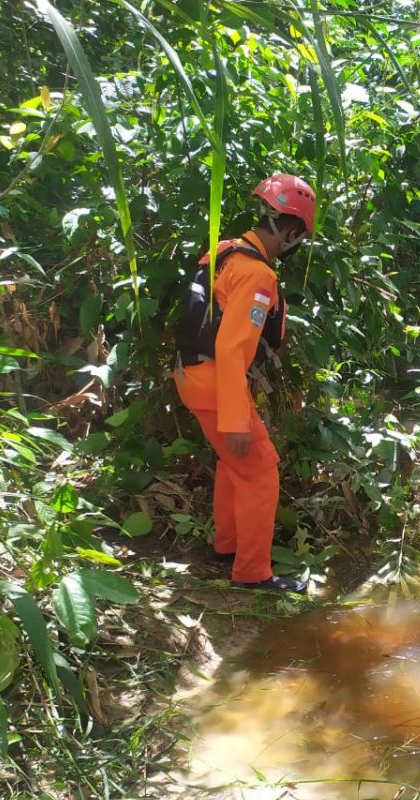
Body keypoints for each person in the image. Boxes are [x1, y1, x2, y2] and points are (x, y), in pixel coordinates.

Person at [173, 174, 316, 593]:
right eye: (299, 238)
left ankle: (226, 546)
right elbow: (233, 348)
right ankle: (252, 573)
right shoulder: (257, 276)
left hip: (194, 377)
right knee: (260, 472)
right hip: (217, 385)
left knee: (233, 463)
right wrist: (237, 420)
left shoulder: (223, 251)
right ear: (290, 231)